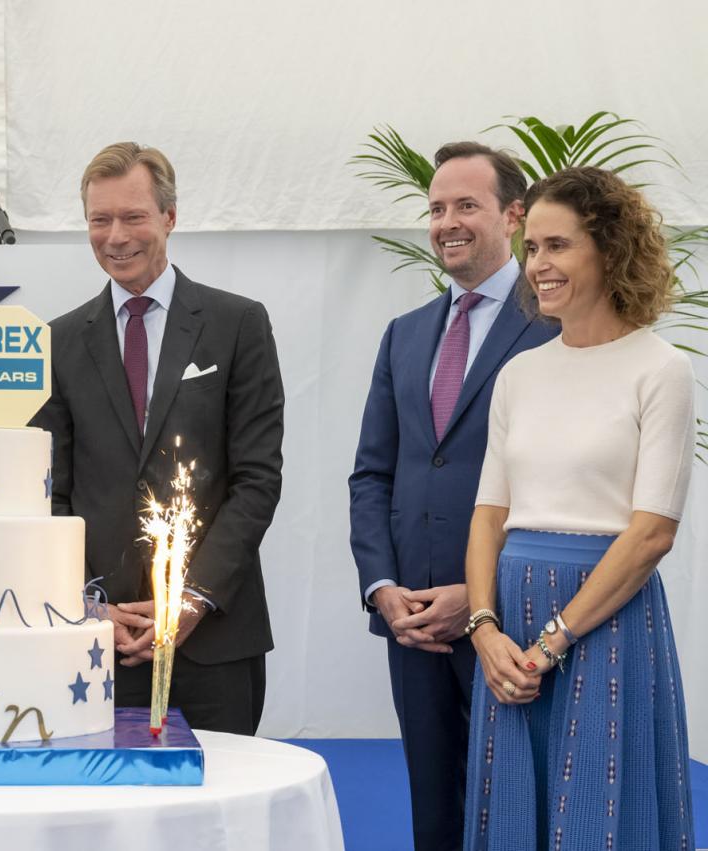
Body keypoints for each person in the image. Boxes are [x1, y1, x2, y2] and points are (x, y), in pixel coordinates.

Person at [463, 167, 696, 850]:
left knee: (598, 810)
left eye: (558, 246)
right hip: (508, 623)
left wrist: (553, 641)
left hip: (606, 622)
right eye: (532, 248)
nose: (539, 265)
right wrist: (485, 631)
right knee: (511, 814)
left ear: (610, 248)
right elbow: (488, 514)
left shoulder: (660, 369)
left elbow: (652, 532)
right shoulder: (520, 373)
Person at [32, 142, 284, 735]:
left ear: (169, 217)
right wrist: (91, 606)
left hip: (214, 636)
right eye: (100, 220)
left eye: (133, 216)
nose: (115, 236)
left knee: (221, 810)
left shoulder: (238, 324)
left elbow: (256, 481)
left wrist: (190, 599)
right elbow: (50, 494)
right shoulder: (57, 341)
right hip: (98, 642)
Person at [349, 142, 557, 850]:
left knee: (520, 816)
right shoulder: (403, 336)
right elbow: (372, 475)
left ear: (515, 215)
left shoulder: (557, 329)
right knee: (433, 815)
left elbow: (561, 488)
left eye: (466, 204)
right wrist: (383, 587)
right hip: (412, 627)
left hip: (515, 620)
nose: (446, 222)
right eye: (436, 208)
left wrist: (480, 591)